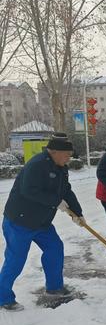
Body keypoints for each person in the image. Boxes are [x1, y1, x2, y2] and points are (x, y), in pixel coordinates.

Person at [0, 133, 85, 311]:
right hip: (20, 222)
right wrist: (56, 202)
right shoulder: (37, 165)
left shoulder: (61, 167)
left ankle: (55, 287)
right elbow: (29, 191)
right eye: (67, 154)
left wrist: (78, 213)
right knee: (15, 260)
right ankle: (3, 298)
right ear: (55, 152)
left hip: (42, 222)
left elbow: (66, 191)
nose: (69, 158)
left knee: (55, 248)